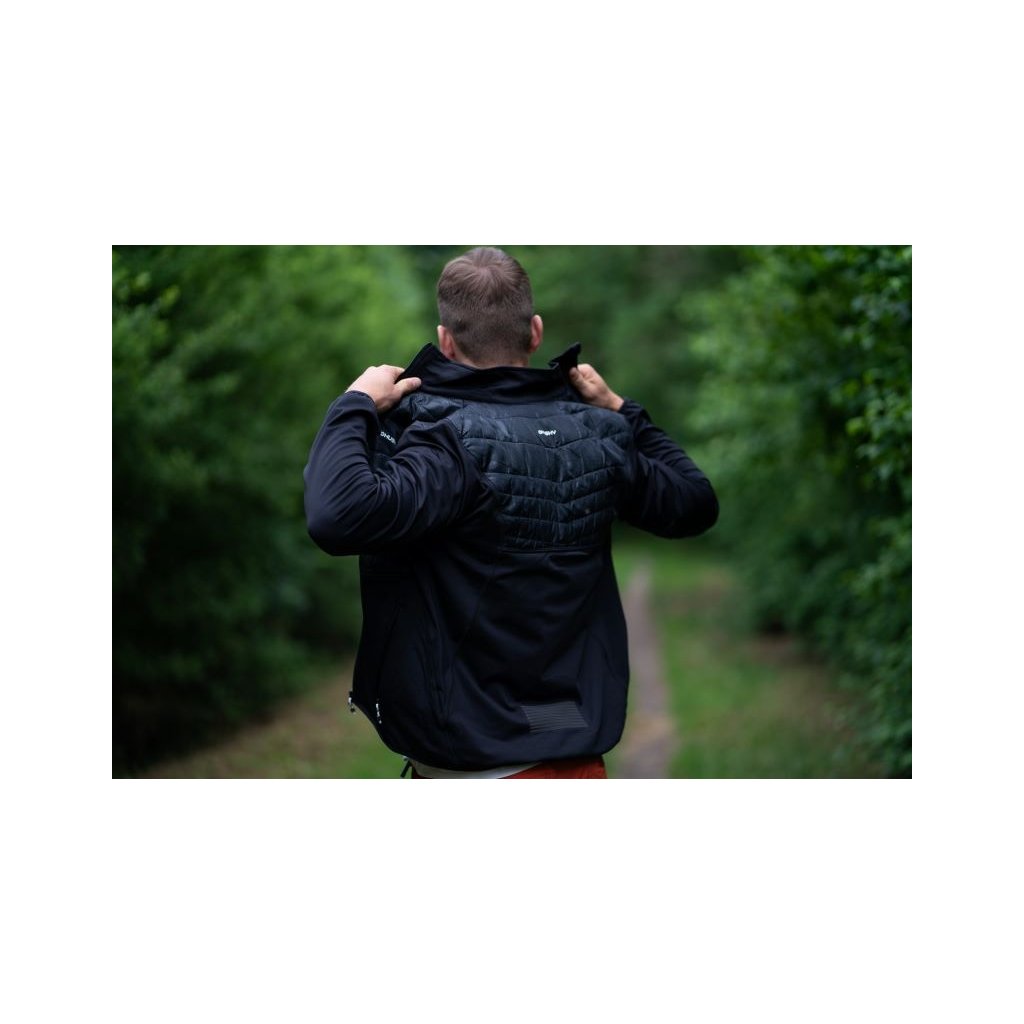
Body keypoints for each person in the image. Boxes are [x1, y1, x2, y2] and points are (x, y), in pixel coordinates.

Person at [303, 247, 718, 778]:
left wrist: (355, 403)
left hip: (467, 760)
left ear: (446, 340)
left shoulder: (441, 440)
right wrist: (621, 409)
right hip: (571, 748)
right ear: (535, 332)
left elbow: (336, 515)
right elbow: (694, 501)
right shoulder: (601, 435)